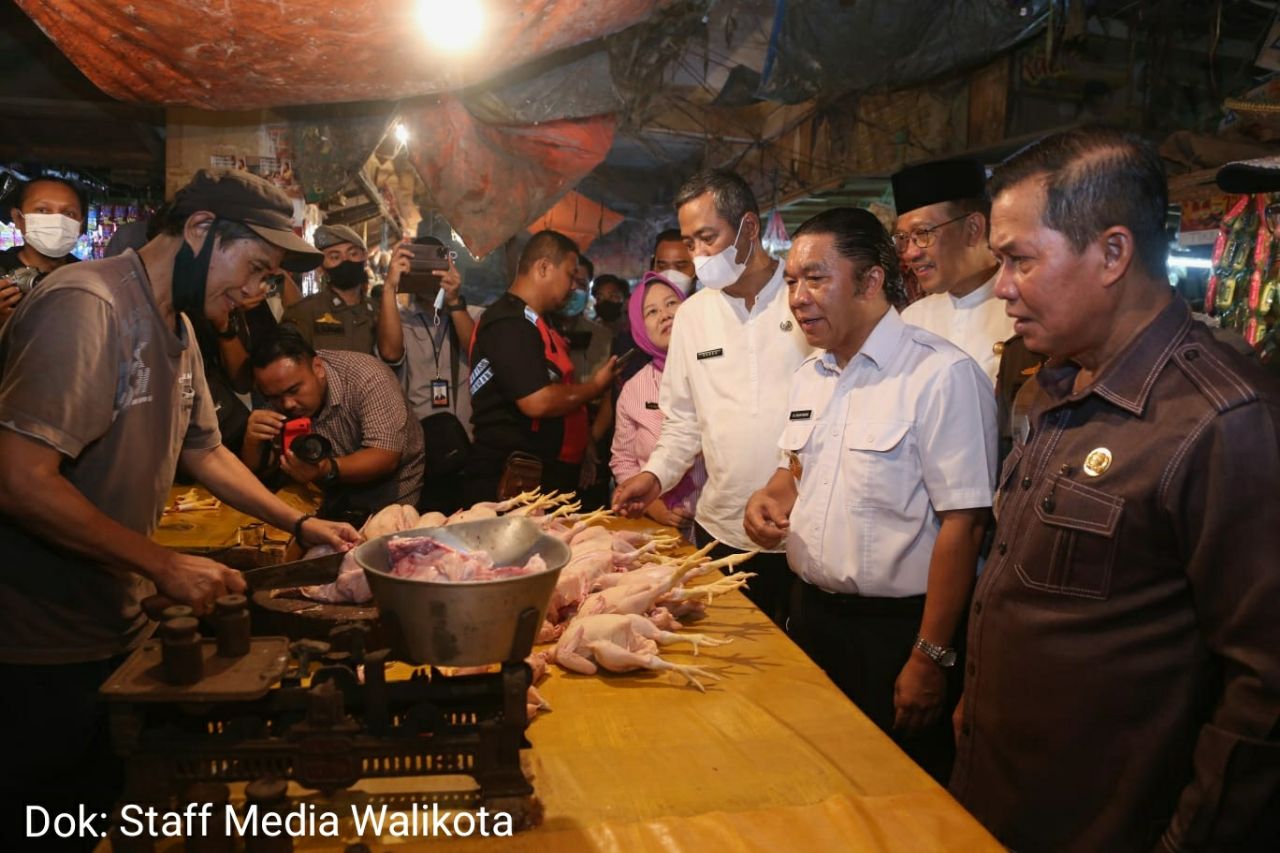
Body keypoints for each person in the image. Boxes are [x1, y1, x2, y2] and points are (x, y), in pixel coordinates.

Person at [0, 169, 361, 848]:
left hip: (113, 623)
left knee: (111, 816)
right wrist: (163, 562)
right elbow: (19, 478)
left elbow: (206, 451)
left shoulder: (180, 329)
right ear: (200, 231)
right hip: (38, 645)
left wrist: (301, 523)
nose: (255, 294)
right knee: (48, 821)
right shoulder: (89, 303)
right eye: (254, 268)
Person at [950, 127, 1280, 852]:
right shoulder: (1050, 389)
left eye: (1019, 260)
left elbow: (1264, 691)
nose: (1001, 285)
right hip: (1001, 799)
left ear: (1112, 253)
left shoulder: (1220, 420)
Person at [743, 208, 995, 782]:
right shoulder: (812, 376)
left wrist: (931, 655)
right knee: (810, 780)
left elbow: (966, 525)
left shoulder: (940, 376)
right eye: (789, 281)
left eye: (815, 277)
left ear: (871, 281)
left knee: (893, 796)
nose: (797, 297)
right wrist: (770, 496)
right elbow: (800, 470)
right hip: (809, 616)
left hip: (893, 634)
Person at [613, 169, 812, 627]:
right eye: (689, 243)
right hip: (721, 527)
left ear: (747, 227)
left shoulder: (801, 300)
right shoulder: (694, 317)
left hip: (802, 531)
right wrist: (654, 476)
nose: (698, 255)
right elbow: (682, 422)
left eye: (707, 237)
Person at [465, 230, 619, 503]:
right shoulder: (509, 323)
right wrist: (595, 386)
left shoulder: (536, 321)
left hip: (545, 473)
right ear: (544, 267)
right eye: (571, 275)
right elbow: (537, 401)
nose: (574, 286)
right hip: (514, 477)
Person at [242, 326, 425, 523]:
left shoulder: (367, 377)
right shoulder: (273, 388)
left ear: (318, 368)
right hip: (319, 503)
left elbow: (385, 455)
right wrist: (251, 441)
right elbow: (255, 472)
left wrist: (326, 469)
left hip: (387, 501)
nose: (287, 404)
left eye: (294, 390)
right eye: (274, 397)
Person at [375, 235, 480, 513]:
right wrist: (390, 286)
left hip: (467, 450)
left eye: (435, 265)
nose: (426, 273)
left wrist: (455, 301)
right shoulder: (399, 320)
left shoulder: (472, 314)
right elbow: (389, 352)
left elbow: (477, 353)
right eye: (416, 265)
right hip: (418, 457)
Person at [891, 158, 1014, 386]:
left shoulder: (1022, 310)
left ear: (973, 228)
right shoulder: (911, 321)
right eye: (902, 239)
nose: (909, 253)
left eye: (923, 233)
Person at [611, 272, 707, 538]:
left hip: (721, 521)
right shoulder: (633, 390)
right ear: (640, 328)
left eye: (671, 303)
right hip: (658, 530)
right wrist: (654, 507)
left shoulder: (715, 370)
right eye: (651, 311)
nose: (664, 314)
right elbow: (624, 460)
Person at [0, 175, 87, 327]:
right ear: (18, 218)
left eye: (69, 213)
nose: (57, 221)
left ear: (80, 225)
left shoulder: (88, 279)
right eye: (43, 210)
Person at [281, 223, 379, 353]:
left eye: (353, 253)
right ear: (321, 267)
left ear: (365, 258)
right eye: (335, 257)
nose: (346, 260)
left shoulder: (380, 312)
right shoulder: (304, 312)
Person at [650, 227, 697, 295]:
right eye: (661, 266)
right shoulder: (643, 304)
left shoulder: (712, 303)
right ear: (653, 267)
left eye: (680, 266)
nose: (669, 277)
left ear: (696, 267)